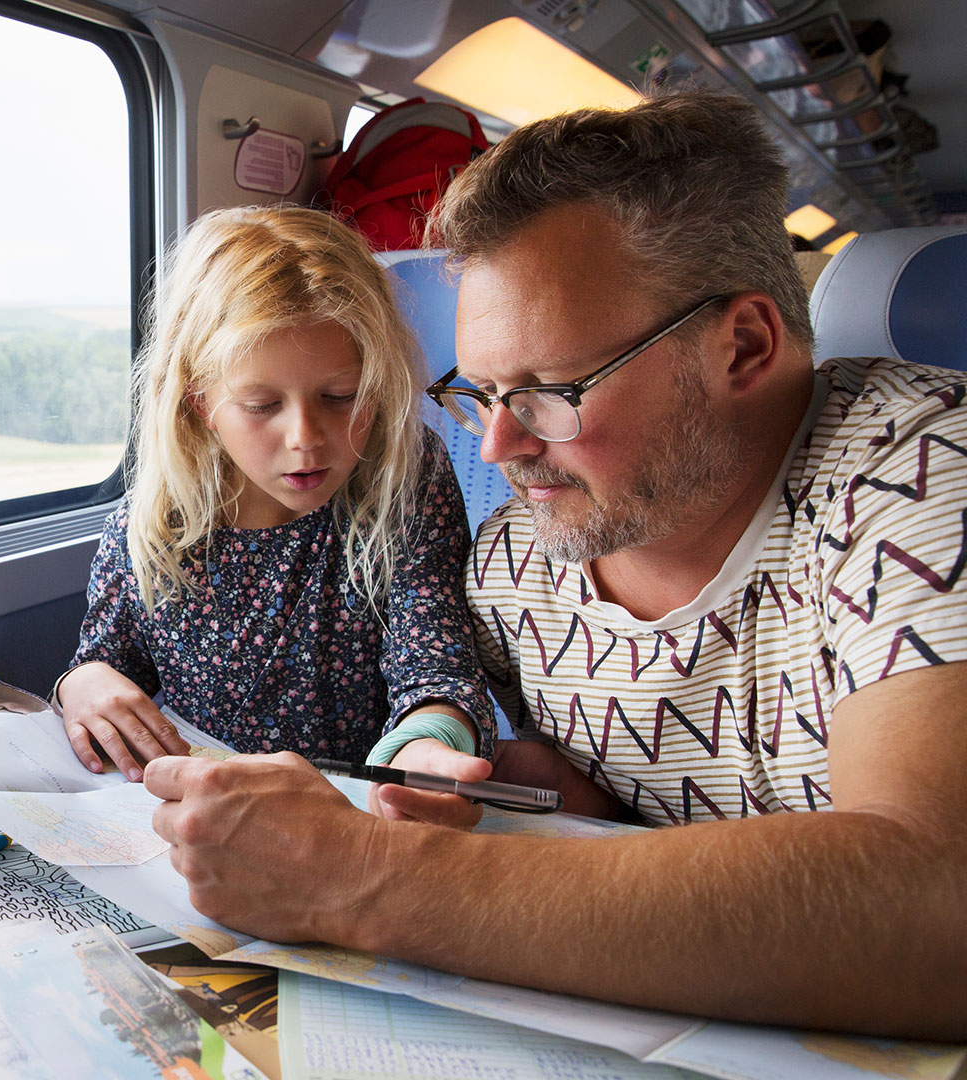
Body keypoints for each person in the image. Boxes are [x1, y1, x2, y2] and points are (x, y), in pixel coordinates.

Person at [145, 90, 967, 1040]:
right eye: (482, 393)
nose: (495, 449)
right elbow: (609, 789)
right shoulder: (513, 571)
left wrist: (365, 879)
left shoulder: (920, 472)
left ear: (740, 345)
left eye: (547, 393)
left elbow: (938, 900)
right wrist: (500, 785)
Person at [52, 204, 496, 785]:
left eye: (341, 396)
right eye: (262, 406)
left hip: (352, 806)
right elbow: (107, 662)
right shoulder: (159, 518)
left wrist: (428, 742)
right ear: (200, 403)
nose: (306, 438)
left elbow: (435, 664)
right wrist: (80, 685)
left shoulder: (404, 480)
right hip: (198, 809)